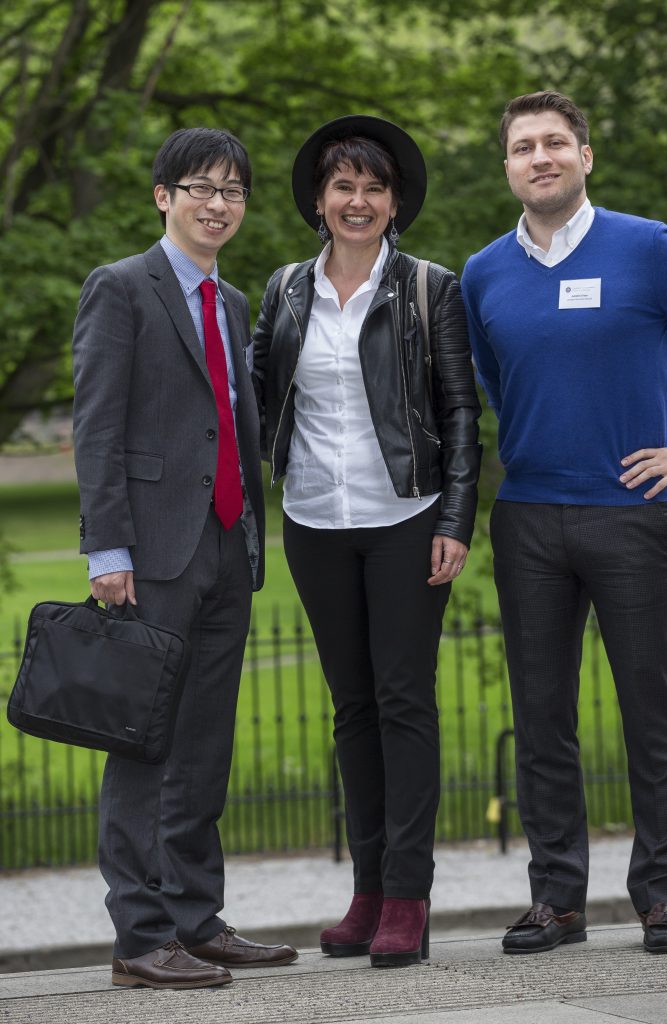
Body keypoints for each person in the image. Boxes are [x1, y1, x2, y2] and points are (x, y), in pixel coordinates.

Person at [461, 91, 667, 956]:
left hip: (632, 514)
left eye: (555, 142)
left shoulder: (647, 247)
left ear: (585, 156)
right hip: (526, 520)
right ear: (507, 165)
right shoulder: (483, 272)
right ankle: (555, 901)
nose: (539, 156)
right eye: (523, 146)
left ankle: (660, 897)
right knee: (541, 715)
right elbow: (489, 381)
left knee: (651, 713)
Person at [252, 115, 481, 967]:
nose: (358, 200)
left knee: (402, 702)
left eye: (373, 188)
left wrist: (455, 519)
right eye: (343, 186)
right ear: (319, 199)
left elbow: (461, 411)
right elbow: (256, 396)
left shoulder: (429, 287)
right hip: (313, 519)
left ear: (393, 204)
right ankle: (365, 890)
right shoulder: (283, 290)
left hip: (405, 518)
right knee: (350, 709)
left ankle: (407, 898)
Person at [72, 127, 297, 989]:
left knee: (204, 746)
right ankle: (139, 939)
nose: (218, 204)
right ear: (164, 196)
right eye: (201, 187)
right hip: (150, 554)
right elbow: (96, 426)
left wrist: (247, 537)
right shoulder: (121, 288)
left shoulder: (233, 303)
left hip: (226, 546)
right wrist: (107, 549)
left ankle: (195, 920)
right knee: (142, 747)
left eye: (234, 191)